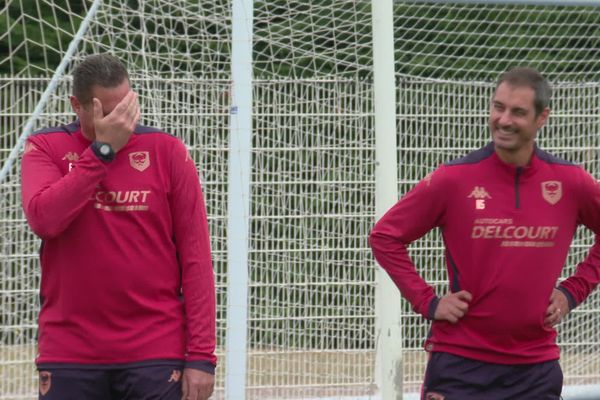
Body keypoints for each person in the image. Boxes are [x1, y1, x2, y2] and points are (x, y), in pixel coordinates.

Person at [369, 67, 600, 399]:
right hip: (461, 365)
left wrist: (572, 291)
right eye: (498, 107)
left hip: (535, 369)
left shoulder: (570, 182)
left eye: (518, 112)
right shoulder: (454, 179)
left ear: (541, 118)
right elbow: (385, 236)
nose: (503, 120)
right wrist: (427, 301)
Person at [21, 54, 216, 400]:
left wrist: (201, 357)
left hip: (154, 352)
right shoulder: (46, 147)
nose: (121, 120)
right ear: (76, 106)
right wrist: (103, 150)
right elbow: (45, 220)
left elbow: (196, 258)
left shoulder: (166, 151)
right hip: (70, 353)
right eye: (107, 113)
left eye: (126, 106)